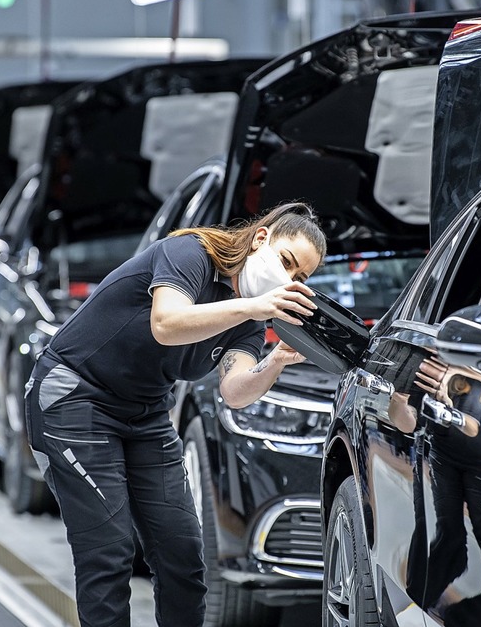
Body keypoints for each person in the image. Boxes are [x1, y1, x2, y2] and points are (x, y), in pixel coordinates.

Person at [24, 201, 327, 627]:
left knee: (183, 555)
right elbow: (166, 323)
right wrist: (254, 309)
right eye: (286, 262)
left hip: (146, 414)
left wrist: (276, 359)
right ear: (261, 239)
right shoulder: (190, 253)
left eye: (301, 278)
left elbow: (235, 391)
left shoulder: (251, 321)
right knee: (108, 553)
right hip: (75, 398)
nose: (289, 281)